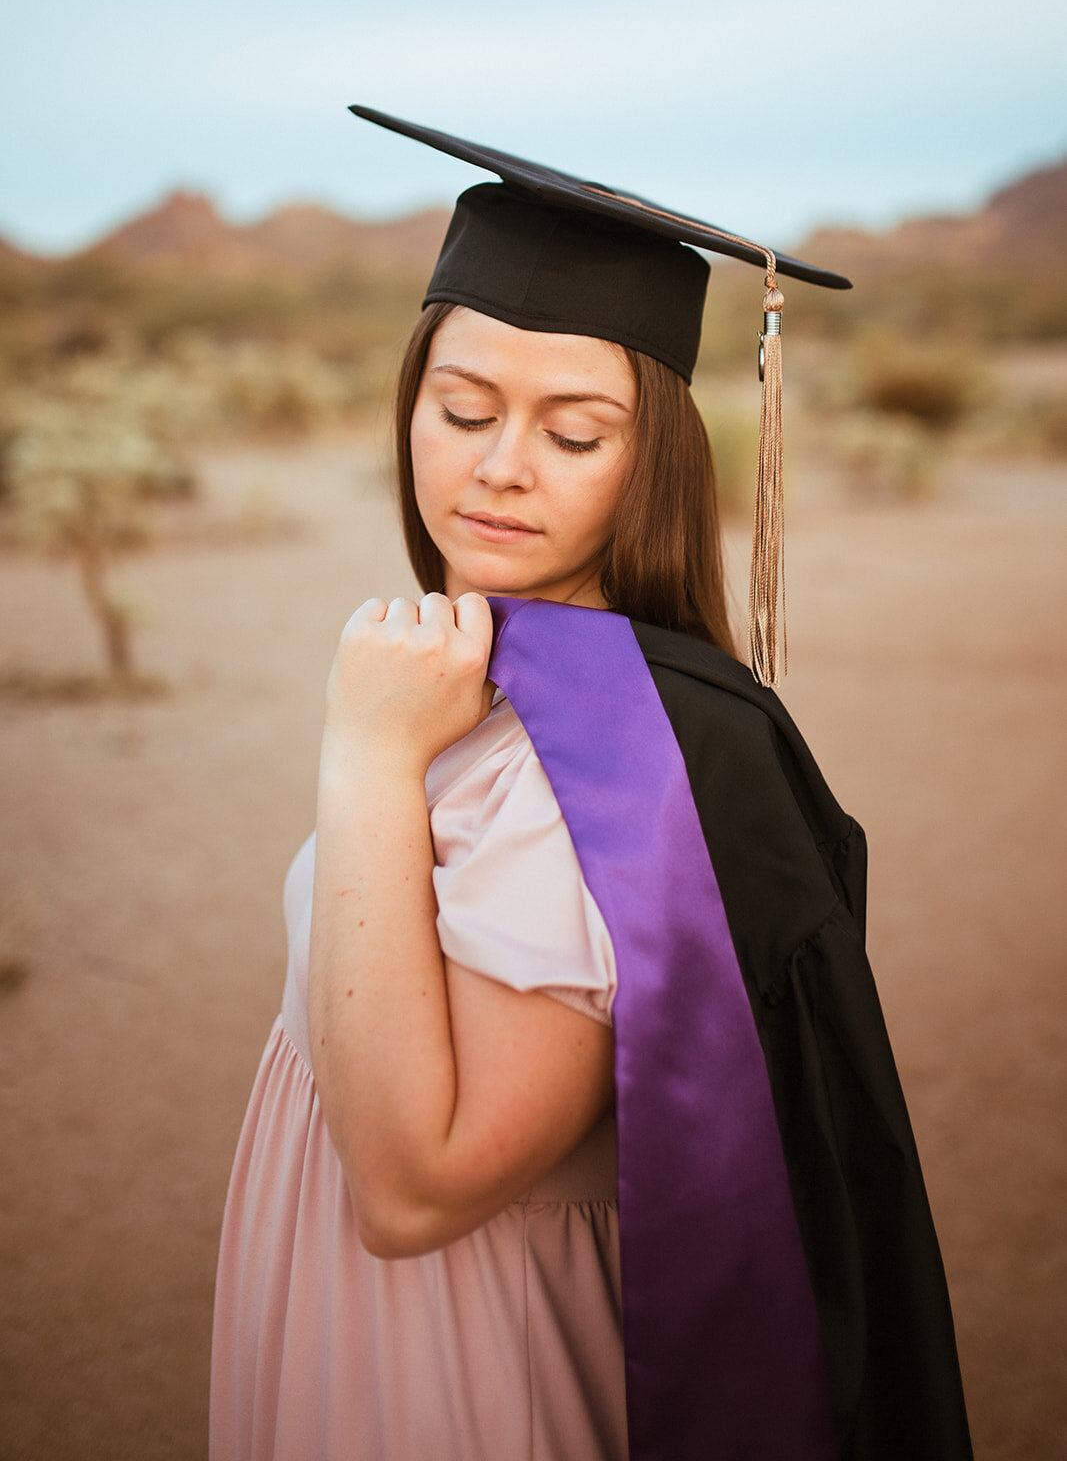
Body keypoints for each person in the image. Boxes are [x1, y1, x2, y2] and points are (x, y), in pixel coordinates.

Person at [210, 109, 973, 1461]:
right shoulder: (472, 680)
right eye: (462, 410)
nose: (499, 466)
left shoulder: (611, 770)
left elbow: (413, 1187)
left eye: (575, 435)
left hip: (458, 1371)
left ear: (654, 463)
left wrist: (368, 753)